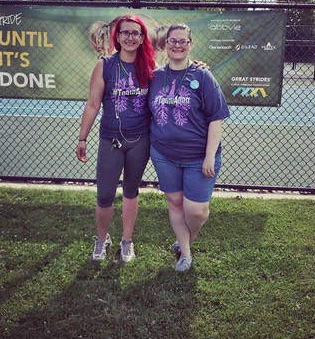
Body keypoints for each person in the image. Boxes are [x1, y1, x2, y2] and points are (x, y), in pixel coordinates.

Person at [148, 23, 230, 271]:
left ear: (190, 44)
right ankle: (185, 253)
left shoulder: (203, 76)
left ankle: (188, 238)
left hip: (198, 157)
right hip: (164, 154)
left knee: (196, 211)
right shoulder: (155, 77)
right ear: (165, 44)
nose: (178, 45)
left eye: (183, 41)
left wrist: (208, 157)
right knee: (174, 202)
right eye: (173, 41)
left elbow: (216, 118)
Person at [76, 14, 156, 263]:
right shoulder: (105, 65)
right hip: (110, 138)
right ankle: (102, 239)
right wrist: (82, 138)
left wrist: (197, 65)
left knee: (131, 191)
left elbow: (178, 71)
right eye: (125, 33)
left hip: (140, 139)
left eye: (135, 33)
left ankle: (127, 241)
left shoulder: (151, 67)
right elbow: (92, 104)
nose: (130, 37)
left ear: (143, 38)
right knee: (105, 195)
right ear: (117, 36)